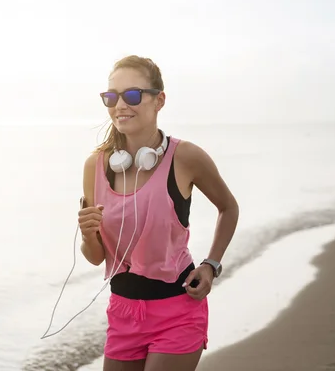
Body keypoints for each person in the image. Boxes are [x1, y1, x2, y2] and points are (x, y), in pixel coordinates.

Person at [78, 55, 239, 371]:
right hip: (122, 312)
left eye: (133, 95)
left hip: (178, 309)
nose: (120, 105)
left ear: (159, 100)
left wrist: (211, 265)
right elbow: (96, 256)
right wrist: (87, 235)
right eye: (111, 97)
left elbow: (228, 207)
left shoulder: (186, 157)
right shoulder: (94, 166)